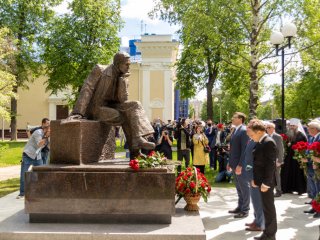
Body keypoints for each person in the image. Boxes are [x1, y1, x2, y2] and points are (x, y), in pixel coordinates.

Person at [65, 52, 155, 156]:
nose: (129, 67)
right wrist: (78, 112)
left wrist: (123, 81)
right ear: (118, 64)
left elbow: (123, 100)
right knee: (123, 116)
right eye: (127, 64)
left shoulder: (124, 77)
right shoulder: (100, 70)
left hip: (113, 106)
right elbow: (87, 88)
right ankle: (135, 152)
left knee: (135, 104)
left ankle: (138, 138)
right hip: (98, 108)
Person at [250, 119, 277, 240]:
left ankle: (270, 235)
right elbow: (258, 163)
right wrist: (256, 180)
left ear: (259, 132)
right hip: (261, 181)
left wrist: (266, 183)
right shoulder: (261, 141)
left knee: (269, 209)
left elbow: (270, 165)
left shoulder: (268, 142)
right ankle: (267, 233)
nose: (251, 137)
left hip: (267, 183)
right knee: (265, 208)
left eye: (252, 134)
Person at [17, 124, 51, 199]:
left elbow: (48, 147)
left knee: (41, 174)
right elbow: (39, 144)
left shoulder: (47, 136)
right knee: (24, 175)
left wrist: (49, 138)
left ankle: (40, 192)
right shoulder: (38, 132)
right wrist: (46, 137)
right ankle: (22, 193)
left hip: (37, 156)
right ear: (46, 129)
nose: (51, 132)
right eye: (50, 130)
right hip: (28, 155)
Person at [227, 112, 250, 218]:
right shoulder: (236, 130)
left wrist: (240, 165)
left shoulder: (244, 131)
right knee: (239, 187)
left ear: (240, 119)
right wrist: (229, 162)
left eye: (234, 117)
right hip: (234, 163)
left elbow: (244, 150)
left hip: (240, 165)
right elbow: (233, 149)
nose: (232, 119)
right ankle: (240, 207)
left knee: (244, 188)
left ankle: (245, 210)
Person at [244, 122, 265, 232]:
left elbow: (256, 161)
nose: (247, 130)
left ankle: (260, 223)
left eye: (249, 128)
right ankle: (256, 220)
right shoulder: (251, 139)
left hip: (255, 176)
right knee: (255, 200)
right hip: (250, 173)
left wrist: (253, 177)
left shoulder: (258, 142)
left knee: (258, 200)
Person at [281, 118, 307, 195]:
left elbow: (304, 146)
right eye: (290, 125)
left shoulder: (301, 135)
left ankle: (299, 189)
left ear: (297, 126)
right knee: (287, 172)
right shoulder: (288, 134)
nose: (291, 127)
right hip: (288, 157)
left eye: (293, 126)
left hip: (297, 158)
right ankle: (287, 189)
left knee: (298, 173)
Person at [303, 119, 320, 218]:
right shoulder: (310, 138)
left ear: (316, 129)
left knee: (318, 189)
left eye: (309, 128)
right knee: (313, 189)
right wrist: (305, 158)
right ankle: (314, 207)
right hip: (310, 166)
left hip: (317, 167)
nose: (308, 130)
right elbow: (308, 151)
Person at [266, 122, 284, 197]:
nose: (267, 129)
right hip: (267, 160)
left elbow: (281, 149)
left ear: (273, 128)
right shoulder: (266, 136)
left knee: (276, 175)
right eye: (267, 127)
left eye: (269, 127)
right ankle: (270, 190)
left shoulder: (277, 137)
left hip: (276, 160)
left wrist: (279, 160)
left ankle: (278, 190)